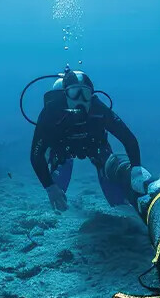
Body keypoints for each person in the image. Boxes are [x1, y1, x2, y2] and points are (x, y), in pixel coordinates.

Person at [29, 69, 150, 211]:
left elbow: (128, 138)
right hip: (62, 149)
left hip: (95, 146)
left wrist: (136, 169)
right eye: (74, 93)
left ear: (92, 95)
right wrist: (50, 187)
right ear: (65, 94)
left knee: (118, 201)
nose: (80, 99)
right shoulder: (52, 112)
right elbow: (36, 154)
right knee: (57, 199)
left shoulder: (98, 109)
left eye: (85, 93)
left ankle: (122, 201)